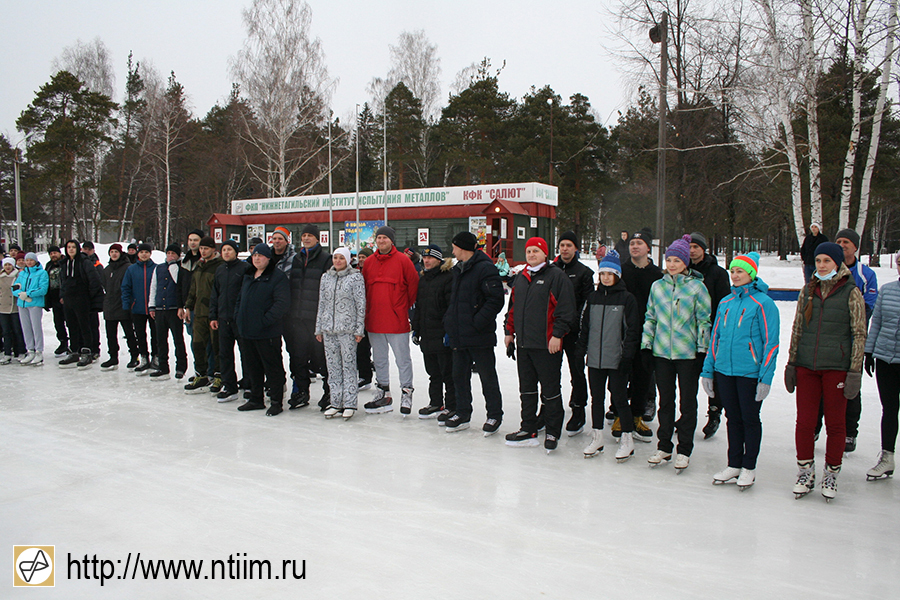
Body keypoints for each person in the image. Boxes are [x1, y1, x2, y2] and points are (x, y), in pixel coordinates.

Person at [785, 242, 866, 501]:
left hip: (836, 368)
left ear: (837, 263)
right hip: (808, 365)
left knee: (835, 423)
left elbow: (858, 333)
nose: (821, 265)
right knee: (805, 422)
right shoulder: (808, 291)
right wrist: (792, 362)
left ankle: (831, 472)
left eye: (826, 261)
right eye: (818, 261)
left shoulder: (851, 292)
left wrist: (854, 371)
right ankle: (805, 470)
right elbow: (797, 328)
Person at [701, 253, 780, 490]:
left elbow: (771, 343)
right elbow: (715, 338)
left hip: (749, 373)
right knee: (732, 418)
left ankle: (749, 466)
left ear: (752, 274)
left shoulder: (764, 304)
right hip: (725, 371)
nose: (735, 275)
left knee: (749, 419)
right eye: (733, 271)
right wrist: (708, 370)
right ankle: (734, 463)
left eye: (740, 272)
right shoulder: (725, 302)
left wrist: (765, 377)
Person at [642, 235, 711, 472]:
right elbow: (650, 318)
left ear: (685, 263)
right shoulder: (657, 287)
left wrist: (702, 350)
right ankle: (664, 445)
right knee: (666, 401)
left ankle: (684, 449)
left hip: (687, 355)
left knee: (687, 402)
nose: (671, 264)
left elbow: (704, 321)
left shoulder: (697, 288)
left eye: (676, 260)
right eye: (669, 259)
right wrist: (647, 345)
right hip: (662, 353)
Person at [504, 236, 576, 451]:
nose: (532, 255)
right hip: (525, 344)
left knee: (550, 390)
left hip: (547, 344)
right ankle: (528, 427)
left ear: (545, 253)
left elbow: (566, 309)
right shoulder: (522, 277)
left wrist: (557, 334)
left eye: (536, 251)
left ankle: (553, 431)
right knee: (526, 389)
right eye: (528, 251)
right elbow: (513, 308)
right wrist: (509, 332)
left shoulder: (556, 277)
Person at [578, 250, 641, 460]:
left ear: (617, 275)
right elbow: (585, 327)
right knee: (597, 398)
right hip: (595, 359)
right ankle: (597, 437)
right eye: (602, 273)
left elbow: (632, 331)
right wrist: (581, 349)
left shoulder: (626, 299)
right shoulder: (593, 298)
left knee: (620, 399)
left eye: (610, 274)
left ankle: (627, 439)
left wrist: (627, 357)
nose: (605, 278)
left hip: (617, 359)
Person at [444, 232, 505, 433]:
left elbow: (495, 300)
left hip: (479, 335)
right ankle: (463, 413)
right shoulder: (458, 269)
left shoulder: (485, 268)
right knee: (459, 375)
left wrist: (476, 322)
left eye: (454, 247)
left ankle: (494, 415)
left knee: (487, 376)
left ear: (463, 248)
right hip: (459, 334)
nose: (452, 252)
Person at [361, 226, 419, 414]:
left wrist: (400, 308)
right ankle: (383, 393)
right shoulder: (369, 263)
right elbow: (364, 291)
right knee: (379, 360)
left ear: (391, 240)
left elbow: (413, 287)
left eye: (385, 237)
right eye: (379, 238)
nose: (381, 241)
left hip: (397, 321)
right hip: (374, 320)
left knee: (402, 359)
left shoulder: (403, 261)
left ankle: (406, 392)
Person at [830, 228, 878, 453]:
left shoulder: (866, 274)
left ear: (855, 247)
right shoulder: (827, 269)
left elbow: (868, 306)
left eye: (846, 242)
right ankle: (818, 426)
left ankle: (850, 431)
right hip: (829, 339)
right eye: (838, 241)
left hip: (852, 340)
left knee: (850, 387)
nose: (841, 244)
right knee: (824, 383)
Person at [235, 243, 290, 416]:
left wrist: (265, 321)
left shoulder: (277, 276)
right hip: (247, 330)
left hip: (267, 332)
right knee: (253, 367)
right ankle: (256, 399)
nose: (257, 258)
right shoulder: (248, 275)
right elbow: (240, 299)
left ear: (268, 258)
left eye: (261, 256)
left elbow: (281, 304)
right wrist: (238, 316)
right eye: (254, 255)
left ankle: (276, 401)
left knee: (272, 367)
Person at [619, 227, 663, 438]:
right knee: (619, 373)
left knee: (642, 375)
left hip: (647, 332)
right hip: (623, 331)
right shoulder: (621, 271)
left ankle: (637, 414)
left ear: (648, 248)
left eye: (639, 244)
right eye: (632, 244)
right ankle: (619, 412)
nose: (635, 247)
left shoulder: (657, 275)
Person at [689, 232, 731, 439]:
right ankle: (686, 415)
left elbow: (724, 303)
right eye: (689, 246)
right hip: (687, 333)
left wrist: (718, 330)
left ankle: (714, 412)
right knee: (689, 376)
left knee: (712, 376)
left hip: (712, 332)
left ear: (703, 249)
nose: (692, 250)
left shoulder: (717, 273)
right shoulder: (683, 270)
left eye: (696, 246)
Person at [316, 247, 366, 419]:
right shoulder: (326, 277)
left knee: (348, 366)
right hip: (329, 329)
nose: (337, 261)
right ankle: (336, 401)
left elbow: (361, 304)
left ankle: (350, 402)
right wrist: (319, 327)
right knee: (333, 367)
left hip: (348, 330)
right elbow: (321, 303)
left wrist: (359, 328)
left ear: (347, 260)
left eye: (341, 258)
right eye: (335, 258)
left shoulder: (355, 277)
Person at [553, 231, 595, 436]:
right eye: (562, 245)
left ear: (576, 248)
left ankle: (579, 409)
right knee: (550, 371)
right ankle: (549, 407)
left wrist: (573, 325)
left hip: (574, 332)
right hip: (554, 332)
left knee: (576, 371)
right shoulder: (552, 269)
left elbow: (586, 305)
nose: (565, 249)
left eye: (569, 245)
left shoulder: (584, 273)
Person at [286, 224, 331, 410]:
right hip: (298, 318)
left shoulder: (325, 259)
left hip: (317, 318)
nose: (306, 238)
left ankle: (330, 392)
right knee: (299, 358)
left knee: (322, 359)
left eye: (309, 236)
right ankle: (301, 392)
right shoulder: (296, 259)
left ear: (317, 238)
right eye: (303, 235)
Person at [864, 251, 900, 481]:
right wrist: (869, 351)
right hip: (886, 359)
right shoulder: (887, 290)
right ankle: (887, 457)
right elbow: (875, 322)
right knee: (889, 409)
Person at [411, 245, 456, 421]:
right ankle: (436, 402)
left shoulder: (448, 278)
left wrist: (449, 332)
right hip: (427, 334)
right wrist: (416, 328)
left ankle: (452, 405)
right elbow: (419, 307)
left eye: (430, 258)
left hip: (442, 333)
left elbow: (450, 308)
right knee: (433, 372)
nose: (427, 261)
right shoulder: (423, 280)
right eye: (424, 258)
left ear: (439, 260)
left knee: (447, 373)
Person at [209, 239, 251, 403]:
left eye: (229, 250)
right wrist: (213, 315)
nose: (226, 252)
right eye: (224, 250)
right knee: (224, 354)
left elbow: (248, 294)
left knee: (246, 354)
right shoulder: (220, 270)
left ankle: (249, 384)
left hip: (239, 320)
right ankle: (229, 386)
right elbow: (215, 294)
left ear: (236, 252)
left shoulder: (244, 269)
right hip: (223, 319)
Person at [183, 236, 224, 393]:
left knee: (216, 346)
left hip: (214, 313)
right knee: (197, 344)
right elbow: (193, 289)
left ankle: (219, 376)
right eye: (201, 248)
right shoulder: (199, 266)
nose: (203, 251)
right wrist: (188, 306)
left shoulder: (219, 266)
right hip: (199, 313)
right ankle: (201, 374)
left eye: (206, 248)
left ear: (213, 249)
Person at [59, 240, 104, 369]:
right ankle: (74, 351)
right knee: (71, 325)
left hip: (82, 298)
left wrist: (89, 296)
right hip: (69, 299)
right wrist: (62, 295)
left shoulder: (85, 262)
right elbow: (62, 281)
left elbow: (94, 280)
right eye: (69, 247)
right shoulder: (64, 264)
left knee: (85, 326)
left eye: (73, 247)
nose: (71, 249)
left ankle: (87, 351)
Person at [148, 243, 189, 380]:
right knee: (161, 340)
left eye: (173, 254)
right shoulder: (159, 268)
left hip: (173, 308)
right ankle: (163, 367)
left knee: (178, 339)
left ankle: (181, 367)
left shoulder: (180, 268)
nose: (170, 256)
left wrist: (173, 265)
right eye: (168, 253)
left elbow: (178, 282)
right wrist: (152, 306)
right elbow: (154, 287)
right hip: (160, 308)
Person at [121, 243, 159, 373]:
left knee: (156, 334)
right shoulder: (131, 269)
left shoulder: (156, 268)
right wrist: (127, 304)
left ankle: (156, 357)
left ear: (150, 253)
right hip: (137, 307)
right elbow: (125, 287)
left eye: (146, 252)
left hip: (153, 309)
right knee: (140, 334)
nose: (144, 254)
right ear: (138, 254)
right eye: (141, 252)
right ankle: (143, 356)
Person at [101, 244, 139, 371]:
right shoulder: (106, 270)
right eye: (111, 252)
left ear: (120, 253)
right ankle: (113, 357)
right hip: (110, 306)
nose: (114, 254)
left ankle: (135, 356)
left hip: (123, 305)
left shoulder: (128, 267)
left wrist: (129, 303)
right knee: (110, 334)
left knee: (129, 333)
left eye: (116, 251)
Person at [13, 252, 49, 366]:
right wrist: (20, 294)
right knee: (26, 328)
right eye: (27, 260)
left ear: (35, 261)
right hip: (22, 304)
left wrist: (28, 294)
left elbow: (43, 289)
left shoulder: (42, 273)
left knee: (36, 327)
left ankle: (39, 351)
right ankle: (30, 350)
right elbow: (14, 287)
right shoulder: (22, 273)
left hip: (34, 304)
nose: (28, 262)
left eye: (31, 260)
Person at [0, 257, 26, 363]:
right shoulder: (1, 277)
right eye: (5, 265)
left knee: (17, 330)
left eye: (9, 265)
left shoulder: (18, 276)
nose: (7, 267)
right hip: (3, 307)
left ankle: (21, 351)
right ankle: (7, 353)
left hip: (15, 307)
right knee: (6, 332)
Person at [44, 245, 68, 356]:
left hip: (65, 297)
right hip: (54, 298)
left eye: (55, 253)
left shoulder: (65, 263)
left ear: (59, 253)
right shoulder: (49, 266)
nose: (53, 255)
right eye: (51, 253)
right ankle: (63, 342)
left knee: (70, 322)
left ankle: (74, 343)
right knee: (58, 323)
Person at [356, 247, 375, 390]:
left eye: (364, 257)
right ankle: (363, 373)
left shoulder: (372, 272)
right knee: (360, 348)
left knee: (365, 347)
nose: (361, 259)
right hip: (357, 316)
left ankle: (366, 375)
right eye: (360, 257)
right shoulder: (355, 272)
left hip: (371, 314)